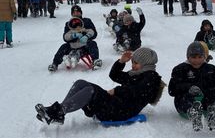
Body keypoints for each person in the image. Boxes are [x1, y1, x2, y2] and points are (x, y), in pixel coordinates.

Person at [36, 47, 164, 125]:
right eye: (132, 62)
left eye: (135, 63)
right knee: (81, 83)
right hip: (117, 104)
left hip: (122, 111)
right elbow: (114, 75)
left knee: (90, 91)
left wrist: (117, 90)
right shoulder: (137, 73)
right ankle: (60, 112)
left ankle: (58, 112)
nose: (132, 65)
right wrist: (121, 62)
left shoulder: (151, 78)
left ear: (145, 64)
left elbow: (137, 92)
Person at [48, 5, 102, 72]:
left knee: (92, 43)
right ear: (72, 14)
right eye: (74, 12)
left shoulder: (87, 21)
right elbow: (65, 38)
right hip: (72, 45)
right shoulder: (69, 24)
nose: (76, 14)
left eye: (77, 12)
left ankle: (95, 60)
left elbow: (94, 33)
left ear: (81, 13)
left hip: (85, 45)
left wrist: (86, 36)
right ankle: (54, 64)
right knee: (64, 46)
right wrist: (74, 36)